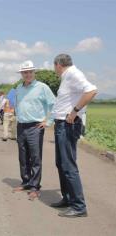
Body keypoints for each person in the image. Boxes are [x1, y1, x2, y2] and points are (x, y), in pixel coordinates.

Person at [50, 54, 97, 217]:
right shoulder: (67, 76)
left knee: (68, 165)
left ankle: (79, 206)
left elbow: (91, 90)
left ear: (58, 64)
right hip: (61, 124)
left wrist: (75, 111)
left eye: (53, 66)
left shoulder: (73, 73)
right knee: (61, 163)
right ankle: (68, 198)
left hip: (67, 125)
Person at [13, 60, 56, 201]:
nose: (28, 74)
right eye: (25, 72)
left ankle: (35, 187)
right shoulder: (18, 88)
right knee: (23, 157)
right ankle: (26, 182)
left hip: (35, 127)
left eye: (30, 72)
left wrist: (48, 121)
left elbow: (54, 104)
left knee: (35, 158)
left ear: (34, 73)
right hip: (21, 126)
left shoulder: (42, 87)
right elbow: (18, 105)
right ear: (21, 74)